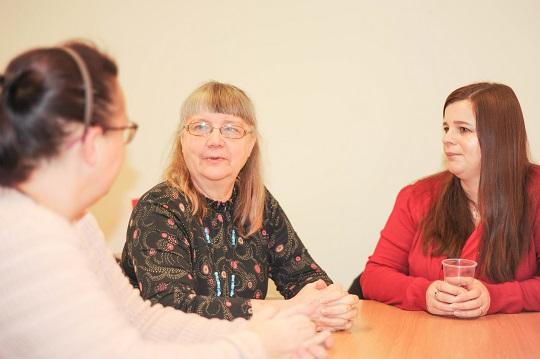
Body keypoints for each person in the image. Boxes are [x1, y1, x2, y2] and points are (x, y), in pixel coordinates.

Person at [0, 41, 332, 358]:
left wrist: (260, 332)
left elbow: (142, 319)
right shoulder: (27, 236)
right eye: (124, 130)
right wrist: (258, 347)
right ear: (92, 143)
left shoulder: (76, 222)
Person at [121, 81, 358, 330]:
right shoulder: (159, 208)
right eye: (200, 127)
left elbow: (304, 276)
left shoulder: (258, 202)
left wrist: (330, 303)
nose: (215, 140)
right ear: (182, 139)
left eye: (231, 129)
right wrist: (292, 310)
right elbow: (172, 308)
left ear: (250, 144)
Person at [361, 82, 540, 318]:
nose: (447, 139)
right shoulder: (417, 196)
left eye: (463, 129)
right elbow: (374, 276)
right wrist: (424, 294)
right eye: (446, 128)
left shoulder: (535, 193)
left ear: (499, 137)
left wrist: (494, 297)